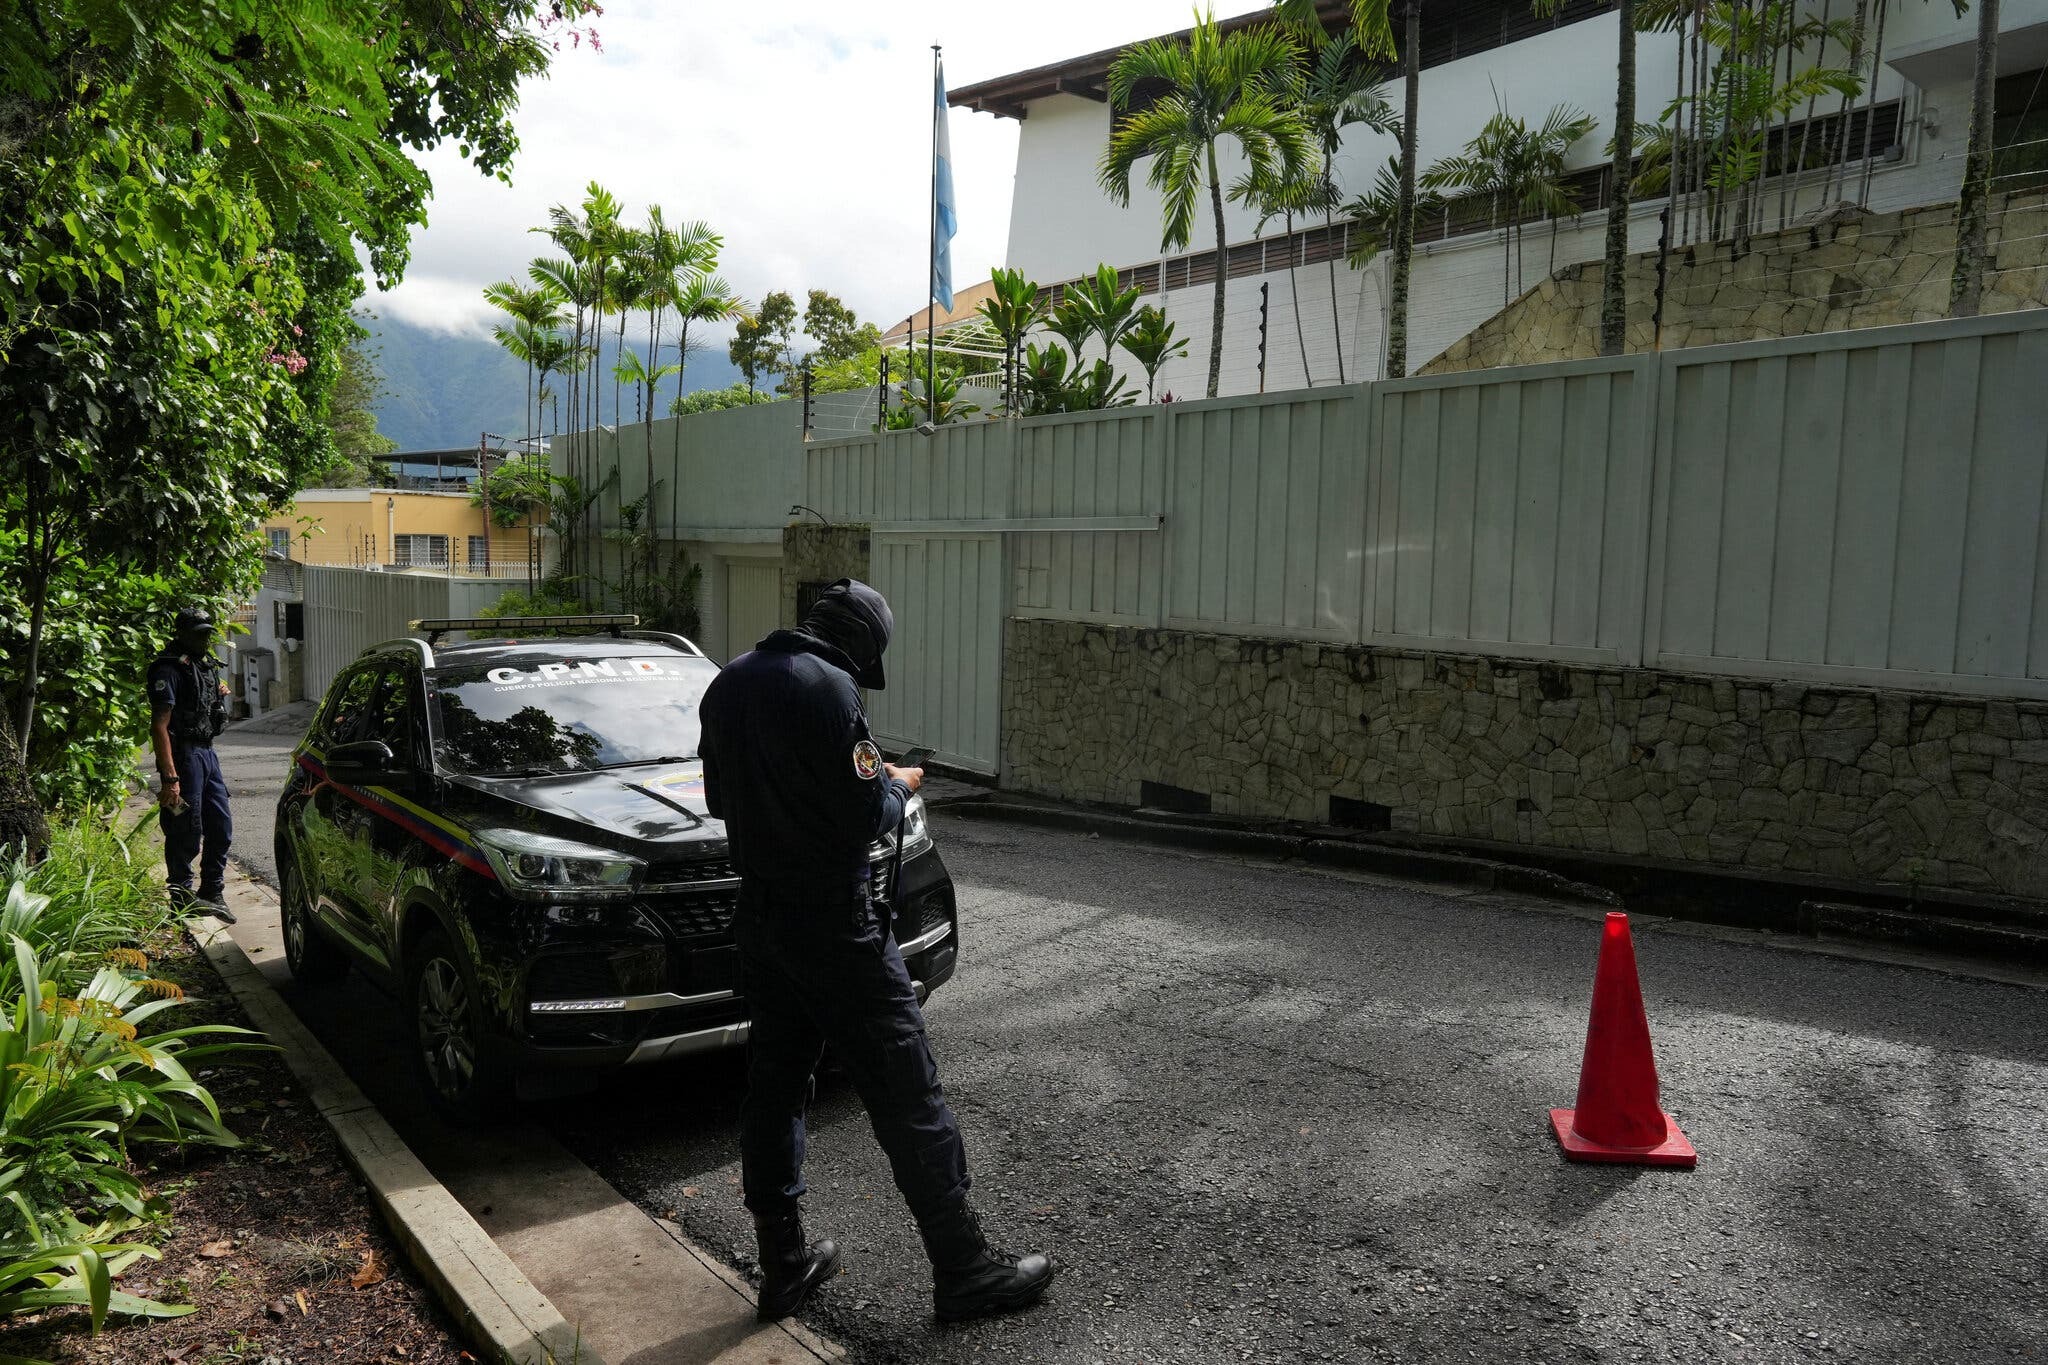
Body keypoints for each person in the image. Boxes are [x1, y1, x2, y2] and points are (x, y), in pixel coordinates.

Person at [699, 579, 1053, 1324]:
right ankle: (963, 1267)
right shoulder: (831, 689)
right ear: (861, 645)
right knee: (905, 1086)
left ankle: (783, 1263)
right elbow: (865, 811)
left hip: (762, 922)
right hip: (837, 927)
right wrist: (896, 784)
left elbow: (720, 800)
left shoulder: (727, 683)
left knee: (775, 1085)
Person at [148, 606, 235, 922]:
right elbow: (159, 725)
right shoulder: (168, 670)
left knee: (221, 826)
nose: (204, 639)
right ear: (181, 634)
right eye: (198, 633)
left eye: (207, 633)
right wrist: (170, 777)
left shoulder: (202, 665)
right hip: (184, 756)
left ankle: (212, 892)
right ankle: (181, 897)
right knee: (186, 825)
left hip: (207, 753)